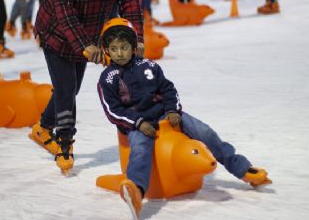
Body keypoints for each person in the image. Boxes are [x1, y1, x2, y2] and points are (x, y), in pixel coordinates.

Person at [96, 18, 271, 219]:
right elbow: (113, 110)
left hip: (165, 114)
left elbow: (168, 88)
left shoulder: (149, 66)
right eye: (115, 48)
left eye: (124, 47)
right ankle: (136, 189)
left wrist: (173, 110)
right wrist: (138, 122)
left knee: (205, 131)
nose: (120, 53)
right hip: (137, 124)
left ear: (134, 47)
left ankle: (241, 168)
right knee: (141, 149)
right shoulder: (108, 78)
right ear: (107, 50)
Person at [29, 0, 144, 174]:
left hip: (88, 32)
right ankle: (64, 142)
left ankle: (42, 128)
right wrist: (85, 44)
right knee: (67, 89)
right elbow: (63, 6)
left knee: (70, 89)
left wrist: (135, 37)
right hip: (56, 32)